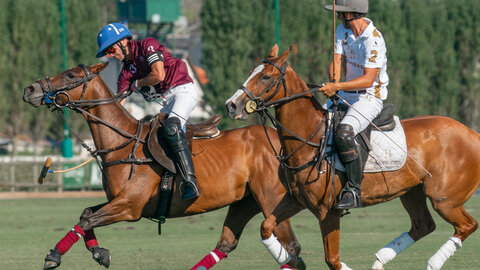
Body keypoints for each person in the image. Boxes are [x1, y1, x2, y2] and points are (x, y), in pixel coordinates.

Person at [96, 23, 200, 200]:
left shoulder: (147, 45)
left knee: (172, 127)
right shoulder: (126, 72)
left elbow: (159, 75)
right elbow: (117, 105)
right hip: (167, 99)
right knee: (152, 135)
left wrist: (137, 84)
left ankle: (190, 182)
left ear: (123, 41)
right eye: (108, 53)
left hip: (183, 89)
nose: (111, 55)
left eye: (111, 49)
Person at [319, 0, 389, 209]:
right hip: (345, 93)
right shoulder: (342, 30)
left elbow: (368, 79)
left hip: (369, 97)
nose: (338, 16)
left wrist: (338, 85)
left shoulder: (374, 40)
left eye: (340, 13)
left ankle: (353, 190)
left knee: (344, 133)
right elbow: (338, 61)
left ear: (351, 13)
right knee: (314, 124)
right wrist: (333, 81)